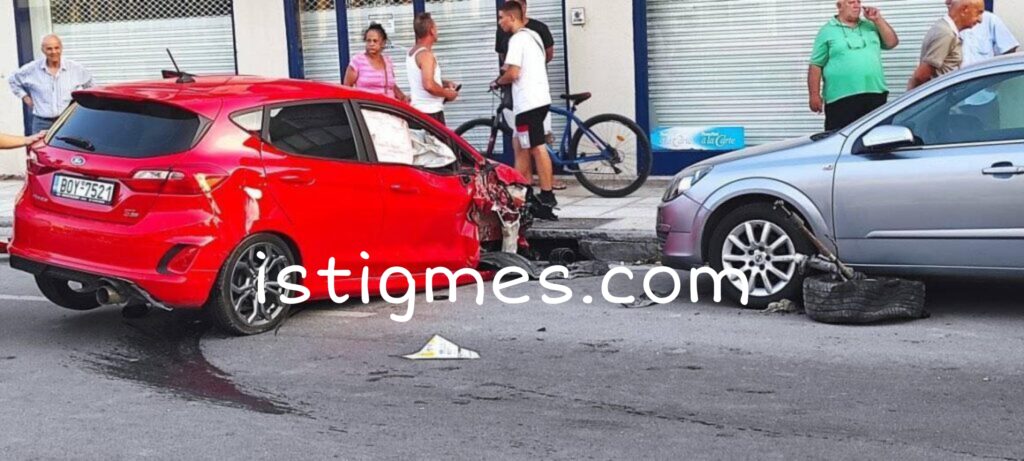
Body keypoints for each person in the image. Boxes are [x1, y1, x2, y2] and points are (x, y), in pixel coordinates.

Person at [493, 2, 556, 219]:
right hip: (539, 99)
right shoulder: (533, 36)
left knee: (536, 147)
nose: (500, 22)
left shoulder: (517, 39)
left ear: (512, 17)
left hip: (528, 103)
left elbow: (513, 73)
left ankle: (547, 196)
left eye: (501, 17)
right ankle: (523, 194)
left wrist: (498, 81)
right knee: (520, 144)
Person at [808, 0, 899, 131]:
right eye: (851, 2)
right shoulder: (827, 31)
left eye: (858, 2)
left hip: (875, 94)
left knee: (876, 138)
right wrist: (814, 95)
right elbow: (816, 64)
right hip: (841, 98)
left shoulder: (870, 26)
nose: (857, 5)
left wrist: (877, 19)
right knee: (839, 138)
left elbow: (892, 43)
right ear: (839, 6)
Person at [8, 34, 93, 133]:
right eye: (49, 49)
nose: (54, 52)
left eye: (57, 48)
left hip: (68, 122)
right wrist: (25, 97)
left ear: (61, 48)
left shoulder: (75, 68)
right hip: (41, 123)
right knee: (39, 144)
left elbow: (90, 85)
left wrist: (83, 105)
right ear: (43, 50)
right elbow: (13, 80)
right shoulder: (31, 69)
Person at [953, 0, 1019, 126]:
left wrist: (994, 83)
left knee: (987, 135)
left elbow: (1009, 49)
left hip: (984, 99)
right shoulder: (950, 24)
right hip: (954, 101)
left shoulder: (989, 20)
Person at [908, 0, 985, 90]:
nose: (980, 20)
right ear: (964, 10)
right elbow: (921, 76)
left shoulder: (948, 31)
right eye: (978, 13)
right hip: (939, 95)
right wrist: (911, 96)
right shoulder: (946, 33)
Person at [406, 13, 459, 125]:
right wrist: (448, 94)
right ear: (431, 31)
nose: (437, 31)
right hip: (430, 114)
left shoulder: (412, 52)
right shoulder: (426, 55)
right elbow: (428, 85)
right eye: (436, 28)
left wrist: (444, 83)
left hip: (419, 113)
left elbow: (422, 78)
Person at [344, 23, 408, 102]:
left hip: (388, 106)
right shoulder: (357, 61)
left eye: (375, 41)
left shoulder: (387, 61)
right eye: (368, 41)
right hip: (367, 106)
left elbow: (391, 86)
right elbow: (347, 87)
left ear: (383, 43)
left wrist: (403, 97)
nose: (371, 44)